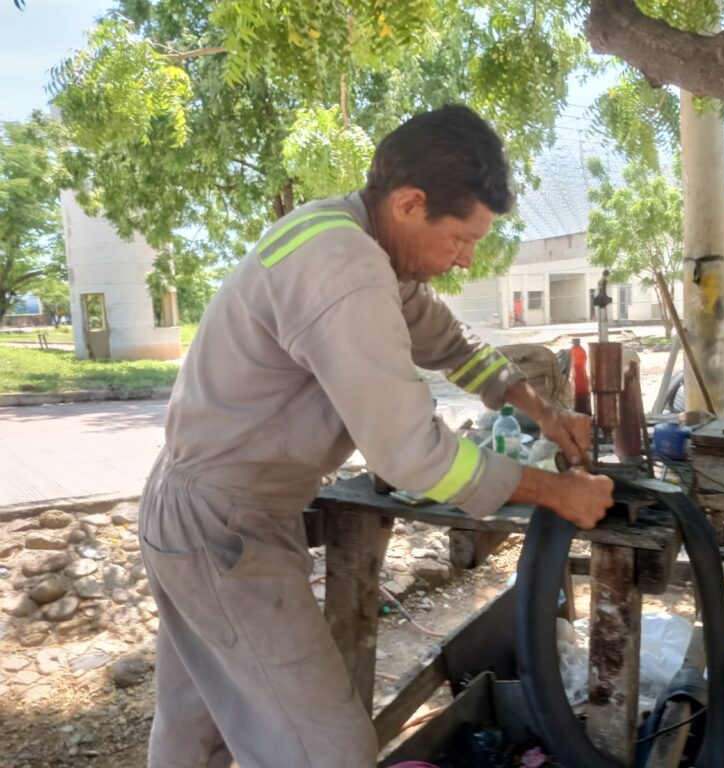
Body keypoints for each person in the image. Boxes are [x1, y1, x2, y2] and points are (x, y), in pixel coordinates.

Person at [138, 105, 615, 768]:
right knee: (328, 749)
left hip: (194, 512)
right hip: (222, 526)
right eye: (460, 238)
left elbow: (449, 341)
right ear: (411, 202)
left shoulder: (357, 240)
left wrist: (538, 409)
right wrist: (558, 492)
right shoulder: (346, 265)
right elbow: (411, 456)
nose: (465, 258)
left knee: (197, 729)